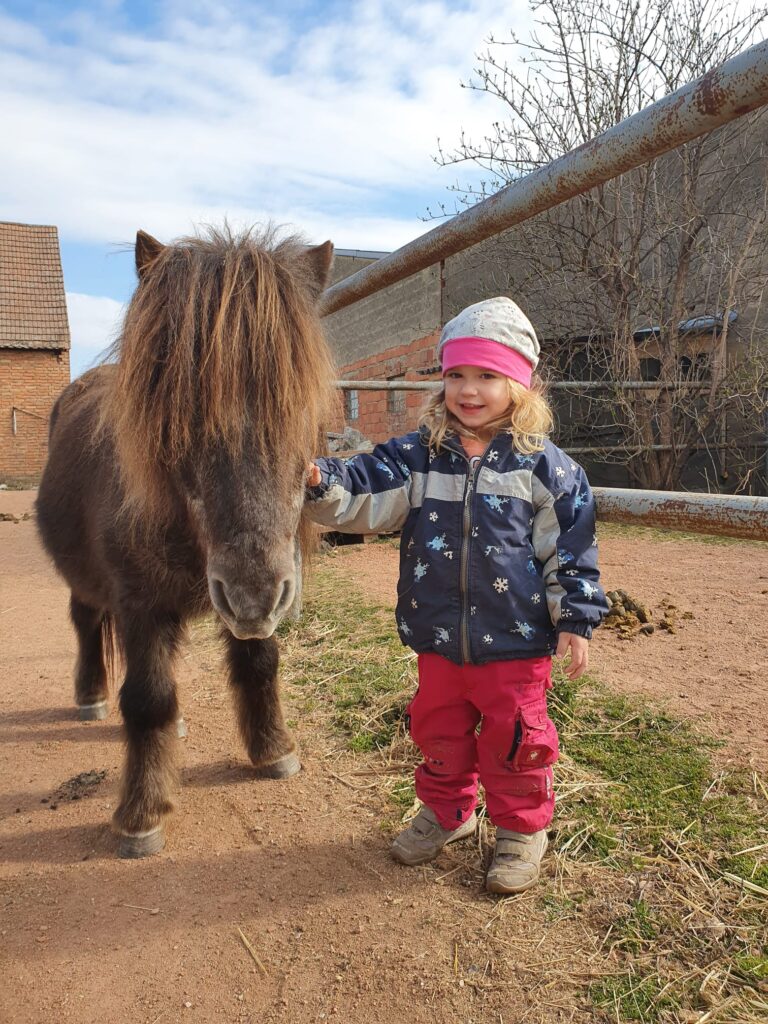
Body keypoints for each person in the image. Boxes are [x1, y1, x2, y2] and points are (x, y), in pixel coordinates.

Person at [304, 296, 607, 894]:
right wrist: (319, 477)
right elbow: (364, 485)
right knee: (437, 729)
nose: (469, 390)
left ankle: (521, 829)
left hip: (516, 643)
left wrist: (574, 617)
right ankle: (449, 812)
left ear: (519, 384)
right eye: (456, 375)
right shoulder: (417, 457)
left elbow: (570, 547)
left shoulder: (546, 468)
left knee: (515, 738)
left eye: (487, 376)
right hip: (438, 634)